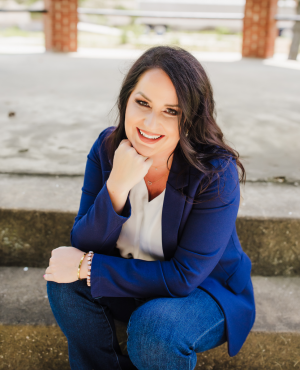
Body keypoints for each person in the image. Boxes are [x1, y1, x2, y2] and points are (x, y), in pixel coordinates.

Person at [44, 45, 256, 370]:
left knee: (154, 328)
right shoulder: (107, 147)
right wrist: (117, 184)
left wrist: (88, 267)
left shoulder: (215, 171)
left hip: (204, 291)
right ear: (126, 101)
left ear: (191, 117)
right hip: (131, 281)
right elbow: (83, 242)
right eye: (142, 103)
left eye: (171, 111)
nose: (150, 121)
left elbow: (184, 276)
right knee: (62, 281)